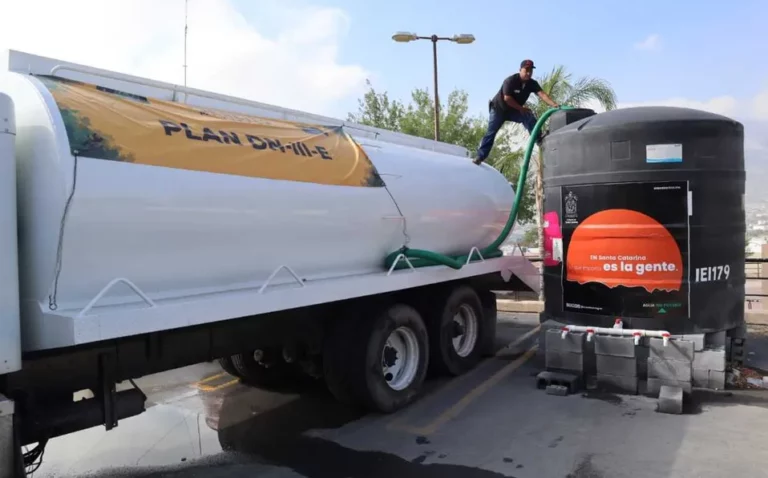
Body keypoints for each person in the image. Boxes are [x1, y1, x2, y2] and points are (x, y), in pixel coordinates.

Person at [473, 59, 560, 165]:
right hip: (498, 109)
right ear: (520, 70)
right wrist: (521, 108)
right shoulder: (510, 81)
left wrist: (554, 104)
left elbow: (542, 94)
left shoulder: (532, 83)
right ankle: (480, 156)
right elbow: (507, 98)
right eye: (526, 70)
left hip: (513, 110)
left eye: (531, 71)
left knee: (528, 116)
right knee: (491, 132)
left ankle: (538, 138)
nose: (528, 73)